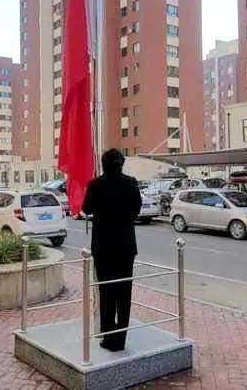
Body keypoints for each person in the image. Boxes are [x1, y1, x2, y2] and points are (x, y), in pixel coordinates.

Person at [82, 149, 142, 352]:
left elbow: (86, 208)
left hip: (104, 246)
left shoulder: (95, 184)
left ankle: (109, 338)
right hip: (126, 246)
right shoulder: (131, 183)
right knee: (124, 293)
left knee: (106, 292)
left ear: (103, 164)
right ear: (121, 164)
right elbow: (136, 210)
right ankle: (121, 339)